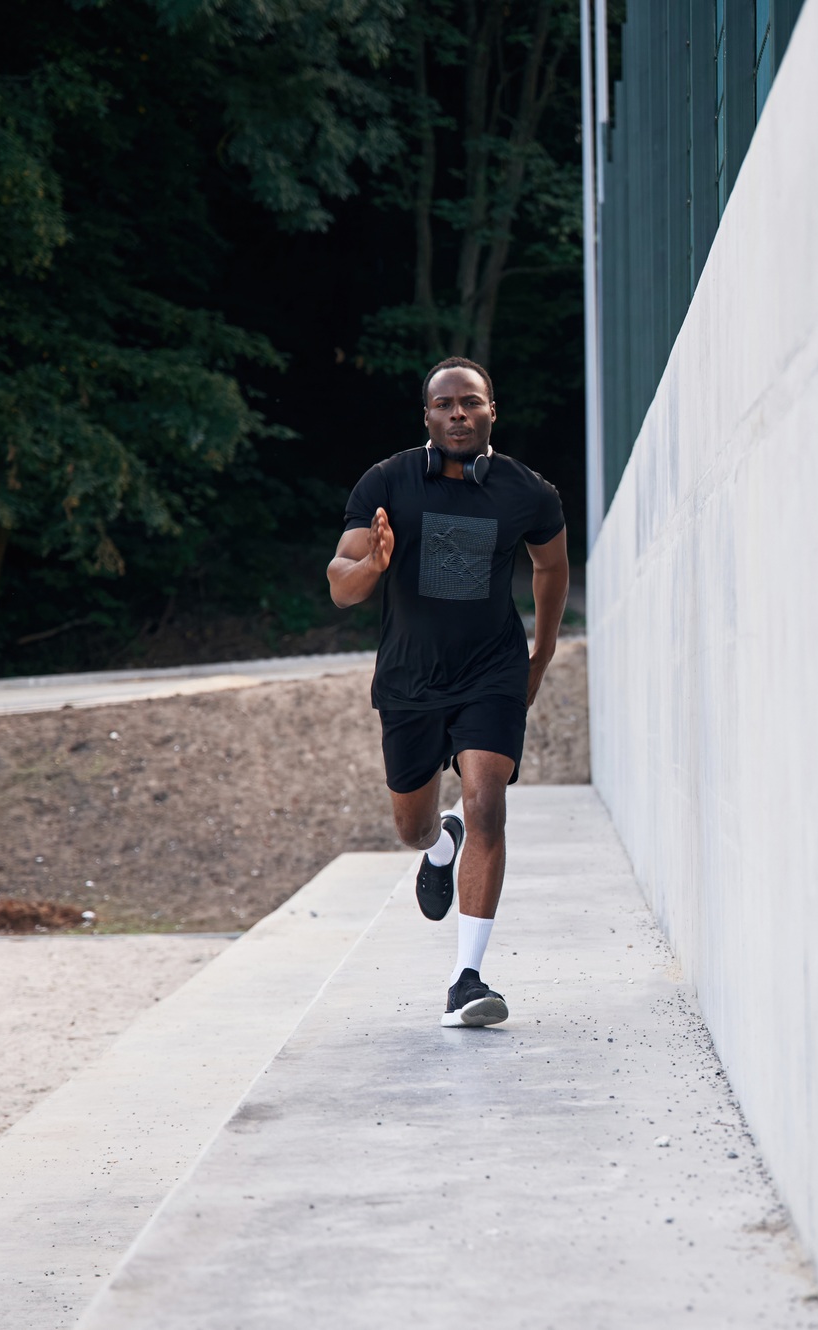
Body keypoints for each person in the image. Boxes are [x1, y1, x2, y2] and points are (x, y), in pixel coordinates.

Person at [326, 356, 568, 1027]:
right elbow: (339, 582)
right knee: (411, 826)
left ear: (493, 411)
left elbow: (550, 565)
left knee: (488, 802)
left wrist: (540, 653)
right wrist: (371, 565)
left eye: (471, 402)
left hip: (491, 672)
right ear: (427, 417)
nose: (458, 413)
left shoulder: (528, 492)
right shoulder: (388, 481)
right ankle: (439, 845)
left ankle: (468, 979)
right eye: (444, 405)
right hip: (408, 680)